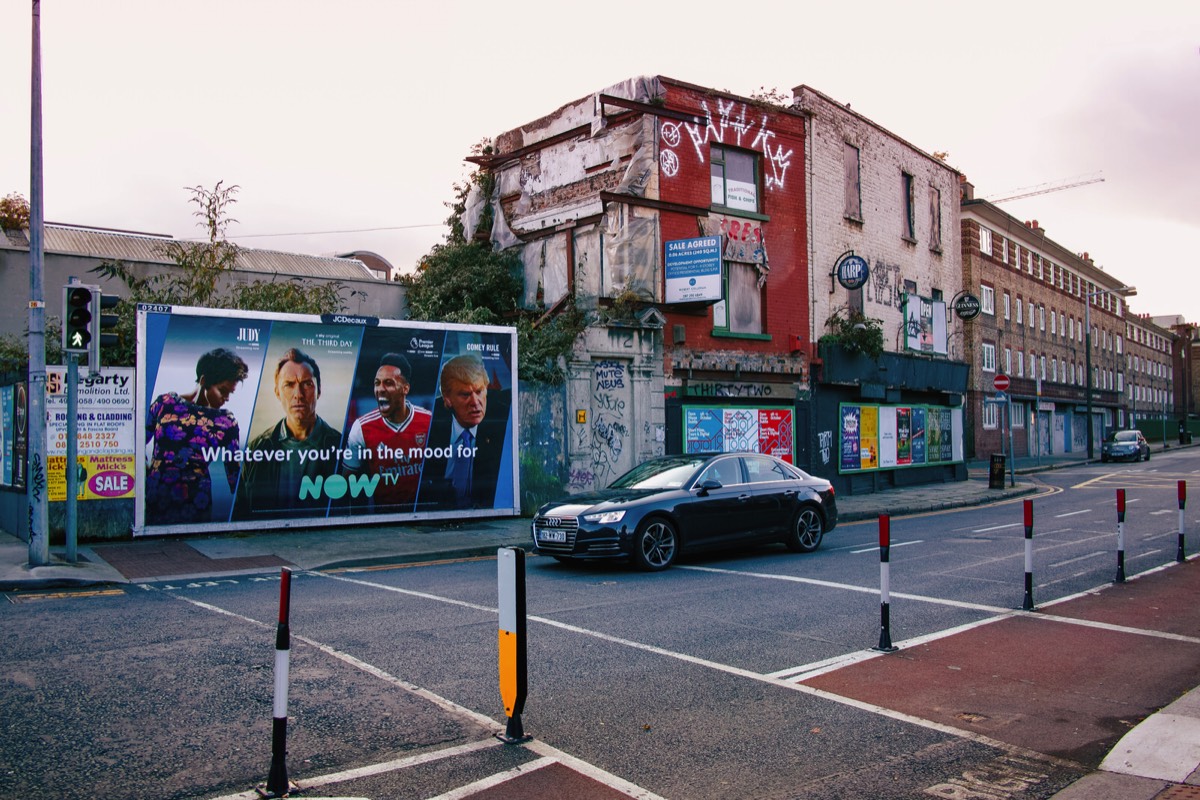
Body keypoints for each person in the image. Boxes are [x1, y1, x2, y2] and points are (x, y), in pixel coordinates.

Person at [233, 347, 343, 520]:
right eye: (289, 385)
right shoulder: (256, 450)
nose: (298, 395)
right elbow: (241, 512)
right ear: (277, 392)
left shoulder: (342, 446)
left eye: (307, 384)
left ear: (318, 390)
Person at [145, 347, 248, 524]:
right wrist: (148, 474)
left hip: (196, 501)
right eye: (222, 391)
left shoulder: (226, 422)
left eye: (230, 393)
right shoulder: (165, 403)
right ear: (203, 380)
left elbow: (234, 476)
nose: (226, 398)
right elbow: (138, 442)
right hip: (156, 497)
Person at [418, 353, 510, 511]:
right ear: (447, 398)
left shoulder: (502, 420)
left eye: (479, 391)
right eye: (465, 394)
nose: (475, 402)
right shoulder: (430, 421)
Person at [341, 353, 432, 511]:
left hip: (422, 513)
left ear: (405, 389)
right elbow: (348, 482)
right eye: (377, 383)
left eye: (388, 383)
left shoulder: (428, 421)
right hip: (383, 517)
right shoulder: (361, 427)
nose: (380, 389)